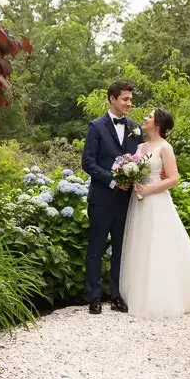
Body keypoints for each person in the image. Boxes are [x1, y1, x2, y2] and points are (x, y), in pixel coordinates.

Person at [119, 108, 190, 319]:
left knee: (158, 246)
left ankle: (161, 298)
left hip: (156, 201)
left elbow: (174, 179)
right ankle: (138, 295)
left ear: (157, 124)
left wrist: (149, 189)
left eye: (149, 117)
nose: (145, 118)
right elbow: (134, 168)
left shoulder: (165, 147)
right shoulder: (140, 146)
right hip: (138, 203)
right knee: (140, 245)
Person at [81, 81, 142, 314]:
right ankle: (94, 297)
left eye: (130, 99)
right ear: (112, 99)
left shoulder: (136, 128)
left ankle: (117, 295)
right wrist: (113, 180)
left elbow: (140, 161)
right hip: (101, 198)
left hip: (126, 202)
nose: (129, 103)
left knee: (120, 249)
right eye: (125, 99)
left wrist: (136, 178)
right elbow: (88, 163)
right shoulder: (96, 127)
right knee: (95, 249)